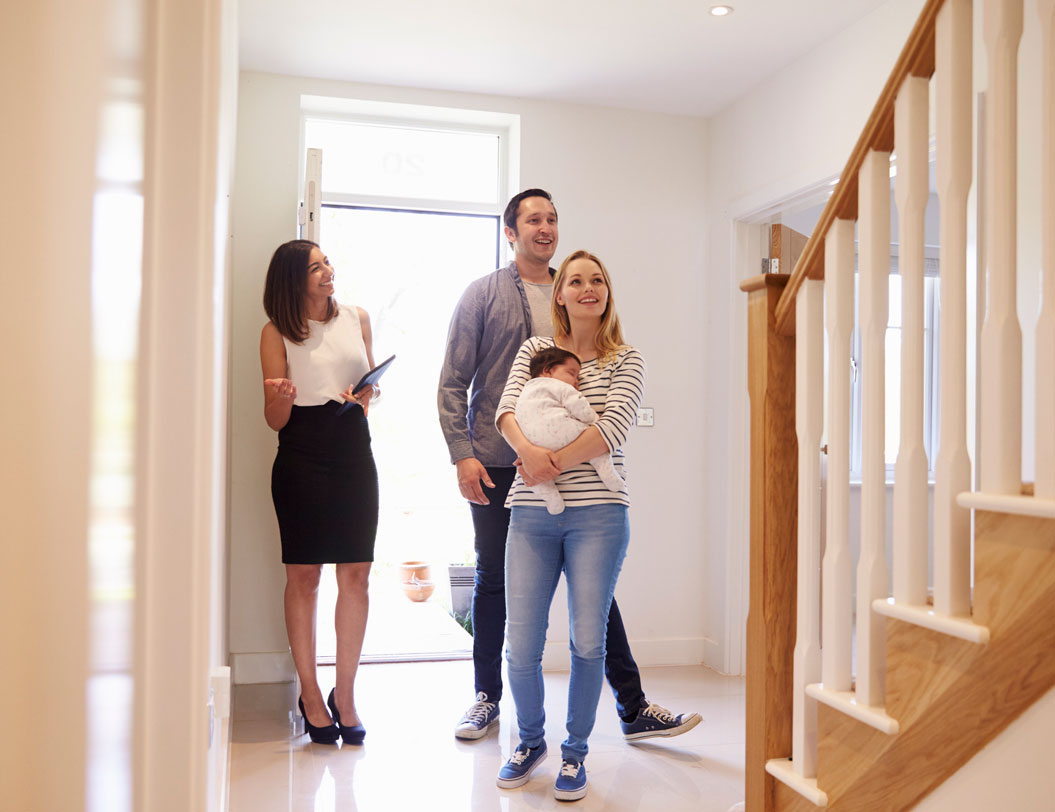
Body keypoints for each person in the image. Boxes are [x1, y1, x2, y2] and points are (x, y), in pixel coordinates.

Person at [437, 188, 699, 745]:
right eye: (533, 219)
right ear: (510, 231)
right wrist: (464, 453)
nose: (545, 228)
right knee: (493, 582)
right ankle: (488, 699)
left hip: (581, 478)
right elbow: (457, 383)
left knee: (594, 597)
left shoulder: (576, 291)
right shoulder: (484, 295)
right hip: (500, 461)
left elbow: (610, 422)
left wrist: (556, 457)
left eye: (552, 219)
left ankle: (631, 706)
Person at [494, 249, 652, 801]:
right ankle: (530, 740)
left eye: (598, 280)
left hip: (600, 518)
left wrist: (545, 462)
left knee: (588, 641)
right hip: (531, 514)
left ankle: (574, 753)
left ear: (607, 293)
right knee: (521, 645)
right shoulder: (537, 351)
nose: (588, 288)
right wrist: (527, 455)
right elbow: (507, 411)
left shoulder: (627, 360)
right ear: (559, 293)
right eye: (576, 280)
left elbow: (612, 429)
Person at [260, 239, 381, 745]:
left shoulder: (357, 317)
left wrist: (366, 394)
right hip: (301, 453)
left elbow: (372, 388)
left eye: (327, 262)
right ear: (293, 281)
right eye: (315, 268)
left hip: (354, 448)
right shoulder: (275, 332)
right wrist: (282, 398)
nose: (328, 271)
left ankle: (345, 695)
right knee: (304, 576)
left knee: (356, 574)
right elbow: (272, 421)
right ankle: (311, 694)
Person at [514, 346, 623, 514]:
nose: (576, 381)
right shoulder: (559, 386)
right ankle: (606, 472)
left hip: (533, 443)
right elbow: (579, 405)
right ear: (548, 371)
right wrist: (595, 420)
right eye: (572, 373)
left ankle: (551, 496)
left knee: (537, 479)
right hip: (562, 432)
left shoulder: (524, 391)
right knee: (594, 438)